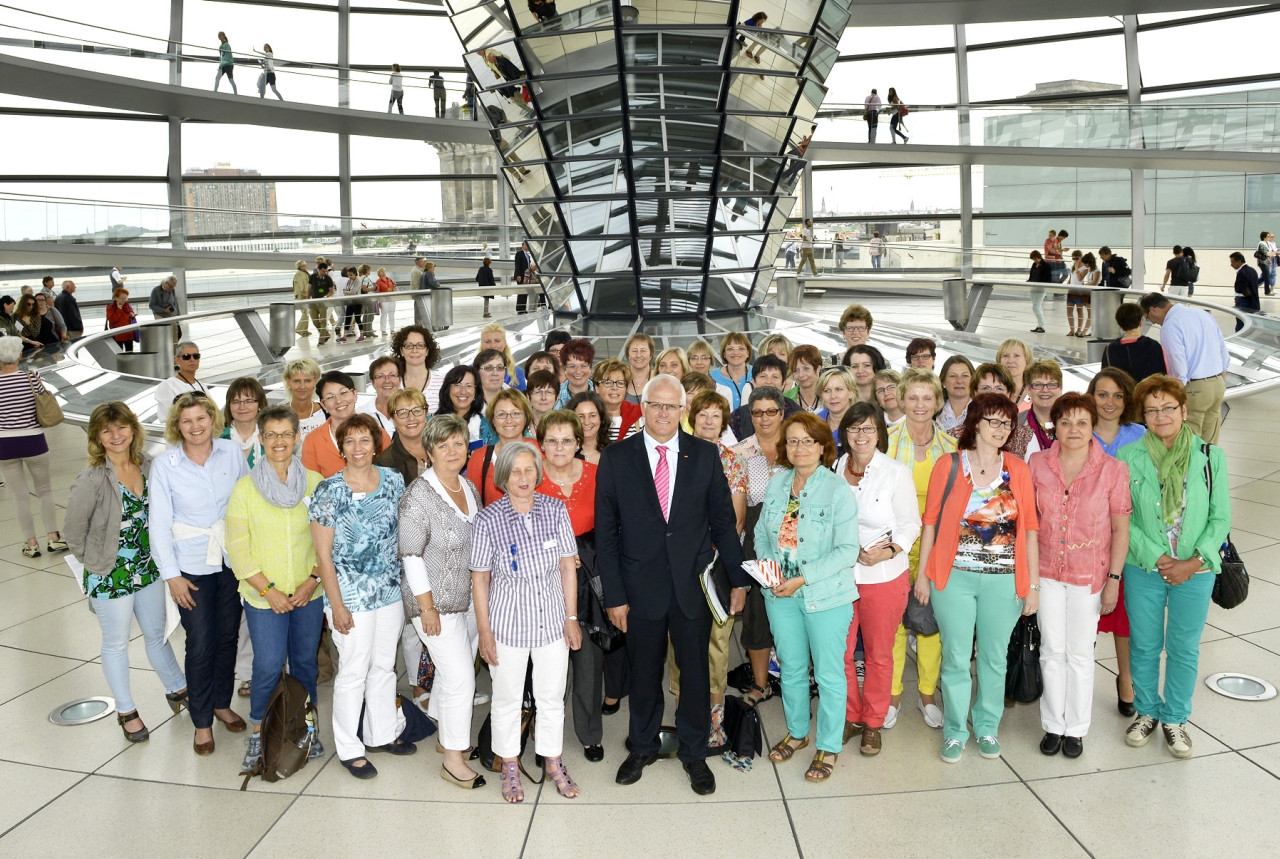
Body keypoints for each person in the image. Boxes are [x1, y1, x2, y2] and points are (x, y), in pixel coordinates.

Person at [597, 375, 748, 796]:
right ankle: (642, 746)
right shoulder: (617, 457)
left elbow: (722, 523)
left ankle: (694, 753)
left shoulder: (704, 455)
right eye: (655, 405)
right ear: (642, 407)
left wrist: (738, 580)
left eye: (671, 406)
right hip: (639, 587)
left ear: (683, 411)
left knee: (695, 673)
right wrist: (615, 596)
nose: (663, 413)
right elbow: (607, 535)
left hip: (691, 588)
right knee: (644, 673)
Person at [915, 393, 1040, 763]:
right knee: (954, 657)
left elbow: (1030, 529)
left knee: (993, 657)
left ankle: (986, 726)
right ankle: (955, 730)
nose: (1001, 429)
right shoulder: (949, 465)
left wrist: (1032, 585)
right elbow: (930, 523)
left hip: (1003, 581)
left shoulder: (1018, 469)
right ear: (976, 423)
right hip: (954, 579)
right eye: (993, 421)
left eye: (1007, 423)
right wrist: (923, 576)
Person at [1119, 375, 1231, 760]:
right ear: (1143, 415)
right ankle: (1147, 711)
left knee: (1183, 648)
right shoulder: (1128, 457)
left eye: (1168, 407)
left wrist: (1194, 561)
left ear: (1184, 410)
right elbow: (1123, 517)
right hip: (1144, 568)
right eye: (1152, 409)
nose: (1161, 415)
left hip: (1195, 572)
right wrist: (1157, 557)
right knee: (1146, 645)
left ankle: (1176, 718)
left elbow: (1221, 519)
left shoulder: (1210, 457)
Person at [65, 402, 188, 744]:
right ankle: (126, 710)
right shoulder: (92, 478)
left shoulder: (149, 465)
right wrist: (98, 563)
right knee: (116, 642)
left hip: (148, 569)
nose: (115, 436)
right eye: (107, 430)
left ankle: (178, 688)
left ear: (133, 429)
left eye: (121, 428)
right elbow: (73, 531)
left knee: (156, 633)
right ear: (97, 438)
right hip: (110, 574)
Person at [750, 412, 858, 781]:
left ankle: (828, 746)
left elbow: (847, 550)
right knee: (792, 668)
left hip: (825, 595)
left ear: (823, 446)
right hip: (780, 592)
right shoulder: (778, 484)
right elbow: (762, 533)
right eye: (793, 441)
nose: (800, 448)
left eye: (807, 441)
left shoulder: (837, 489)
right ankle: (798, 733)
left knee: (829, 675)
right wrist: (770, 568)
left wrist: (802, 578)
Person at [472, 442, 582, 802]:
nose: (523, 477)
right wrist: (484, 633)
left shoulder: (555, 509)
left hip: (552, 623)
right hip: (507, 627)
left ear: (539, 473)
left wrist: (571, 618)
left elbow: (568, 566)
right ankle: (509, 765)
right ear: (503, 476)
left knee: (552, 698)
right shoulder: (488, 519)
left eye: (529, 469)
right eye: (515, 471)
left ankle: (553, 761)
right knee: (506, 700)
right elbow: (480, 579)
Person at [1028, 393, 1131, 759]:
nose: (1074, 429)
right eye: (1066, 422)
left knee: (1080, 653)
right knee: (1051, 650)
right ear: (1054, 425)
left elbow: (1121, 530)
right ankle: (1053, 724)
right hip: (1046, 571)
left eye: (1082, 422)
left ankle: (1077, 729)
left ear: (1093, 427)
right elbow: (1028, 522)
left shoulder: (1113, 470)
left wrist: (1114, 581)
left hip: (1090, 575)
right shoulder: (1037, 463)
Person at [309, 413, 410, 778]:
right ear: (341, 447)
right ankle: (349, 748)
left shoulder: (394, 481)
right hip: (349, 593)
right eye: (349, 441)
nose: (357, 448)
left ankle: (382, 733)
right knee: (353, 669)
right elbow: (323, 555)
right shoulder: (328, 490)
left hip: (389, 590)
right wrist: (336, 605)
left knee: (384, 665)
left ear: (376, 443)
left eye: (364, 440)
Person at [226, 405, 327, 769]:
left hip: (307, 593)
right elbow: (238, 549)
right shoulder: (245, 489)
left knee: (304, 665)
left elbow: (328, 542)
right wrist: (269, 590)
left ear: (297, 437)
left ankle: (306, 729)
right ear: (261, 439)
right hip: (263, 597)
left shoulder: (316, 484)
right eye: (272, 435)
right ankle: (258, 734)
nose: (280, 441)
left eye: (287, 434)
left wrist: (312, 580)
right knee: (267, 666)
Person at [150, 391, 250, 755]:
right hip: (190, 566)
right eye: (187, 420)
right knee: (201, 642)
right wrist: (171, 576)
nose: (195, 426)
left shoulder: (232, 454)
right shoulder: (165, 466)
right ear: (177, 426)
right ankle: (202, 720)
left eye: (201, 418)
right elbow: (158, 525)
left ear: (213, 420)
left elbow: (245, 502)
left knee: (227, 637)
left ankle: (222, 703)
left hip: (230, 561)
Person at [398, 414, 486, 788]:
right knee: (461, 678)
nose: (452, 451)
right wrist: (428, 607)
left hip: (466, 599)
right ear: (429, 451)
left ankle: (442, 723)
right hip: (432, 603)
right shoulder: (418, 494)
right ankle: (453, 758)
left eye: (458, 443)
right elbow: (410, 555)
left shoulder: (468, 487)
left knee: (456, 673)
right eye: (443, 445)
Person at [835, 403, 920, 757]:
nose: (861, 436)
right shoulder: (837, 466)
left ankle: (873, 722)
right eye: (854, 429)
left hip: (882, 576)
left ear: (879, 433)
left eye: (869, 429)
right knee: (839, 652)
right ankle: (851, 715)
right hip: (841, 577)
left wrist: (887, 552)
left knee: (878, 654)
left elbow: (910, 524)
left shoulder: (896, 472)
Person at [534, 410, 615, 762]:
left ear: (579, 442)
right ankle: (545, 739)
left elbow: (615, 528)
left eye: (566, 439)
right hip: (544, 581)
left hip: (590, 581)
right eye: (551, 440)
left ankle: (589, 734)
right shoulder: (529, 479)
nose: (559, 446)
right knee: (547, 665)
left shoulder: (600, 475)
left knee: (587, 660)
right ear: (541, 445)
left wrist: (585, 552)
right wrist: (560, 556)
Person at [883, 369, 954, 729]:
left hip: (935, 550)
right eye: (913, 397)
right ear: (901, 399)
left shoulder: (952, 449)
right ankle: (892, 693)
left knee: (930, 624)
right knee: (893, 621)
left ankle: (927, 692)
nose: (920, 405)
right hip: (893, 547)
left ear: (937, 402)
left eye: (927, 398)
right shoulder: (885, 441)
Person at [681, 391, 747, 743]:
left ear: (724, 423)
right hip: (679, 565)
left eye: (715, 416)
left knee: (718, 643)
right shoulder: (676, 452)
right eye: (702, 414)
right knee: (681, 646)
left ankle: (715, 718)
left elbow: (735, 521)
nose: (708, 420)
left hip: (716, 564)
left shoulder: (730, 460)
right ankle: (685, 713)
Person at [1087, 368, 1144, 716]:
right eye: (1102, 394)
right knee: (1082, 620)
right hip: (1086, 544)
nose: (1110, 402)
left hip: (1130, 543)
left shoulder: (1140, 435)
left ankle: (1126, 680)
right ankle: (1078, 682)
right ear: (1091, 397)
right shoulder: (1077, 431)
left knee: (1125, 619)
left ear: (1128, 400)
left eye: (1118, 395)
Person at [733, 385, 790, 706]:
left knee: (792, 609)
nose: (764, 418)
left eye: (771, 411)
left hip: (794, 537)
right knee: (757, 614)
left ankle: (795, 678)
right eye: (757, 412)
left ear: (782, 413)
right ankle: (760, 683)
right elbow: (738, 513)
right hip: (755, 542)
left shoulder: (798, 447)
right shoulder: (739, 454)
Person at [0, 338, 66, 557]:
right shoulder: (32, 377)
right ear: (20, 356)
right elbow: (43, 400)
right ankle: (53, 538)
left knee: (19, 496)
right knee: (44, 491)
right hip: (34, 441)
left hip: (5, 444)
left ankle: (31, 544)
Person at [1138, 293, 1229, 445]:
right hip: (1217, 384)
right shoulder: (1202, 314)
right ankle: (1208, 469)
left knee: (1188, 442)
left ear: (1153, 309)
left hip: (1195, 389)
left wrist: (1175, 396)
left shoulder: (1170, 326)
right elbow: (1223, 352)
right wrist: (1220, 380)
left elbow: (1178, 366)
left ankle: (1190, 469)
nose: (1152, 322)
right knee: (1210, 445)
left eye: (1148, 317)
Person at [302, 371, 393, 478]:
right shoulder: (313, 440)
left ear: (355, 395)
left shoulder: (378, 434)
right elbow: (312, 484)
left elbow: (389, 476)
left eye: (343, 392)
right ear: (323, 405)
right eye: (330, 397)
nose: (339, 401)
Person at [467, 388, 536, 505]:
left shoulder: (540, 450)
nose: (509, 420)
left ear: (526, 418)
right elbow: (473, 504)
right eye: (501, 414)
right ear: (493, 420)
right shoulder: (479, 458)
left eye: (516, 413)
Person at [729, 355, 795, 438]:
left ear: (783, 383)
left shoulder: (796, 414)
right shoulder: (738, 417)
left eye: (775, 377)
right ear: (753, 380)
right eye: (763, 376)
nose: (768, 382)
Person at [375, 389, 430, 484]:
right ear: (393, 419)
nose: (411, 418)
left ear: (426, 414)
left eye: (417, 411)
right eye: (403, 413)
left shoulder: (441, 447)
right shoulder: (385, 462)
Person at [1102, 302, 1167, 383]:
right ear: (1140, 322)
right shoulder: (1154, 346)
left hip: (1122, 394)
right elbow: (1163, 376)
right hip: (1148, 393)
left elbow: (1105, 378)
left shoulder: (1110, 349)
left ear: (1120, 326)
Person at [1012, 359, 1064, 460]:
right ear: (1028, 390)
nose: (1045, 390)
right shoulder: (1015, 424)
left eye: (1052, 384)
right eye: (1038, 385)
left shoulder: (1072, 422)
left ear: (1060, 388)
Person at [391, 324, 444, 412]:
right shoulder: (393, 383)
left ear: (427, 350)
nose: (414, 350)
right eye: (408, 346)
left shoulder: (442, 382)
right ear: (401, 351)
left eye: (420, 345)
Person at [152, 342, 209, 416]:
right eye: (186, 356)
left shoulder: (202, 386)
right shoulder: (168, 386)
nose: (192, 360)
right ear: (177, 360)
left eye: (196, 356)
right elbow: (167, 417)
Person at [435, 365, 485, 449]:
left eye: (468, 386)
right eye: (457, 385)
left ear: (476, 391)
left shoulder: (485, 426)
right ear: (447, 389)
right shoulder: (430, 423)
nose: (463, 391)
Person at [221, 378, 267, 467]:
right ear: (229, 406)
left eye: (249, 401)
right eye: (236, 402)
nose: (242, 407)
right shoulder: (218, 439)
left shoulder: (271, 437)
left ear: (260, 405)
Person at [283, 358, 327, 443]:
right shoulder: (278, 415)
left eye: (307, 381)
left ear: (315, 381)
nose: (302, 386)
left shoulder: (327, 412)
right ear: (288, 382)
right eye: (297, 381)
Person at [358, 356, 402, 436]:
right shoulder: (361, 414)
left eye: (392, 375)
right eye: (380, 376)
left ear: (400, 379)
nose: (387, 381)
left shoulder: (411, 410)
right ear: (372, 382)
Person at [710, 332, 753, 410]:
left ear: (748, 353)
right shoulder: (711, 377)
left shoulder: (758, 374)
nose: (736, 353)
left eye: (741, 348)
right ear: (724, 354)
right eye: (730, 349)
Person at [817, 367, 856, 449]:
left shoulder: (861, 422)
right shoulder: (814, 422)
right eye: (827, 391)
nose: (833, 396)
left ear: (851, 392)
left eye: (838, 389)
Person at [569, 391, 610, 466]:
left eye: (592, 415)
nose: (586, 422)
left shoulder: (614, 452)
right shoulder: (564, 454)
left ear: (601, 418)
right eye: (581, 416)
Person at [937, 355, 974, 434]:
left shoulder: (983, 411)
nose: (959, 381)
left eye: (965, 376)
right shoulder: (932, 412)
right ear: (943, 382)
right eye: (953, 376)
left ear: (973, 380)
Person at [555, 338, 595, 407]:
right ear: (564, 367)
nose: (578, 372)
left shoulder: (600, 393)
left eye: (583, 366)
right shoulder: (554, 394)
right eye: (572, 366)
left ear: (590, 367)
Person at [1067, 252, 1099, 338]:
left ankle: (1080, 330)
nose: (1075, 260)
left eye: (1077, 258)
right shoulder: (1075, 266)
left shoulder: (1086, 268)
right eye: (1073, 258)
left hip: (1081, 291)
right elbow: (1071, 277)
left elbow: (1080, 278)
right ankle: (1072, 329)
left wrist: (1077, 269)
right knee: (1069, 310)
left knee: (1080, 310)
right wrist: (1068, 283)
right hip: (1072, 290)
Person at [997, 338, 1034, 412]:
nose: (1010, 361)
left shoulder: (1037, 392)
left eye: (1016, 355)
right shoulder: (990, 389)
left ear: (1027, 360)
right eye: (1006, 356)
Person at [785, 344, 823, 413]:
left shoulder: (831, 396)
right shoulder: (785, 400)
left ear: (818, 369)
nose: (801, 375)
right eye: (796, 370)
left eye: (806, 368)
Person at [1230, 251, 1261, 331]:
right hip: (1252, 301)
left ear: (1239, 261)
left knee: (1241, 323)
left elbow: (1242, 288)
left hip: (1243, 302)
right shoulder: (1252, 270)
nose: (1231, 265)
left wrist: (1244, 294)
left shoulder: (1242, 273)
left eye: (1233, 262)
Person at [102, 287, 139, 352]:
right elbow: (112, 319)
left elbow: (132, 316)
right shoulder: (110, 307)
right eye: (122, 299)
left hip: (129, 334)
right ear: (116, 298)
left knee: (130, 352)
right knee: (119, 353)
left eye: (125, 298)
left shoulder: (127, 306)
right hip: (118, 335)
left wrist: (132, 316)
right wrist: (119, 310)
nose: (124, 301)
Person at [623, 333, 655, 404]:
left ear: (651, 354)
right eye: (634, 351)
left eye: (643, 350)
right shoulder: (620, 379)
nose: (638, 355)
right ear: (628, 355)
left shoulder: (659, 378)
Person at [307, 261, 335, 344]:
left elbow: (331, 291)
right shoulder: (312, 277)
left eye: (325, 271)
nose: (324, 273)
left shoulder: (328, 278)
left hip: (323, 302)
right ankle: (326, 334)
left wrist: (326, 296)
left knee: (323, 321)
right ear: (318, 269)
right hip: (314, 301)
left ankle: (321, 339)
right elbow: (309, 289)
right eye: (323, 271)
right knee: (315, 320)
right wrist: (307, 299)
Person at [1027, 250, 1053, 333]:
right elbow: (1031, 276)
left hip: (1041, 288)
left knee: (1036, 306)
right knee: (1037, 306)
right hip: (1033, 288)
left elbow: (1048, 279)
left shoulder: (1046, 266)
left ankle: (1042, 326)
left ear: (1038, 257)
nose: (1034, 261)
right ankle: (1039, 326)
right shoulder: (1034, 265)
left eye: (1035, 258)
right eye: (1033, 259)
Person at [514, 241, 538, 314]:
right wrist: (518, 275)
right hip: (521, 276)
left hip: (526, 277)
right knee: (521, 292)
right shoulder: (519, 254)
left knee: (525, 292)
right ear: (522, 246)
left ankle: (523, 307)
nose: (527, 246)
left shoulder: (528, 256)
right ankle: (519, 308)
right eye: (526, 245)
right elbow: (517, 265)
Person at [291, 261, 312, 336]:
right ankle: (300, 329)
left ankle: (304, 330)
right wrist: (306, 294)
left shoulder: (302, 273)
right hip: (303, 296)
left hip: (301, 295)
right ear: (300, 266)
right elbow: (302, 285)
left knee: (306, 312)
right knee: (305, 313)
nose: (306, 266)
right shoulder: (301, 274)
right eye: (304, 265)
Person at [1258, 230, 1278, 295]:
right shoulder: (1262, 244)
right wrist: (1272, 253)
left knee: (1265, 276)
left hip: (1268, 262)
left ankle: (1252, 285)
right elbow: (1267, 253)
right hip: (1263, 262)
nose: (1270, 237)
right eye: (1268, 236)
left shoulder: (1268, 243)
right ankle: (1267, 291)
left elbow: (1273, 252)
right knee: (1267, 276)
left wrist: (1272, 253)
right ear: (1264, 237)